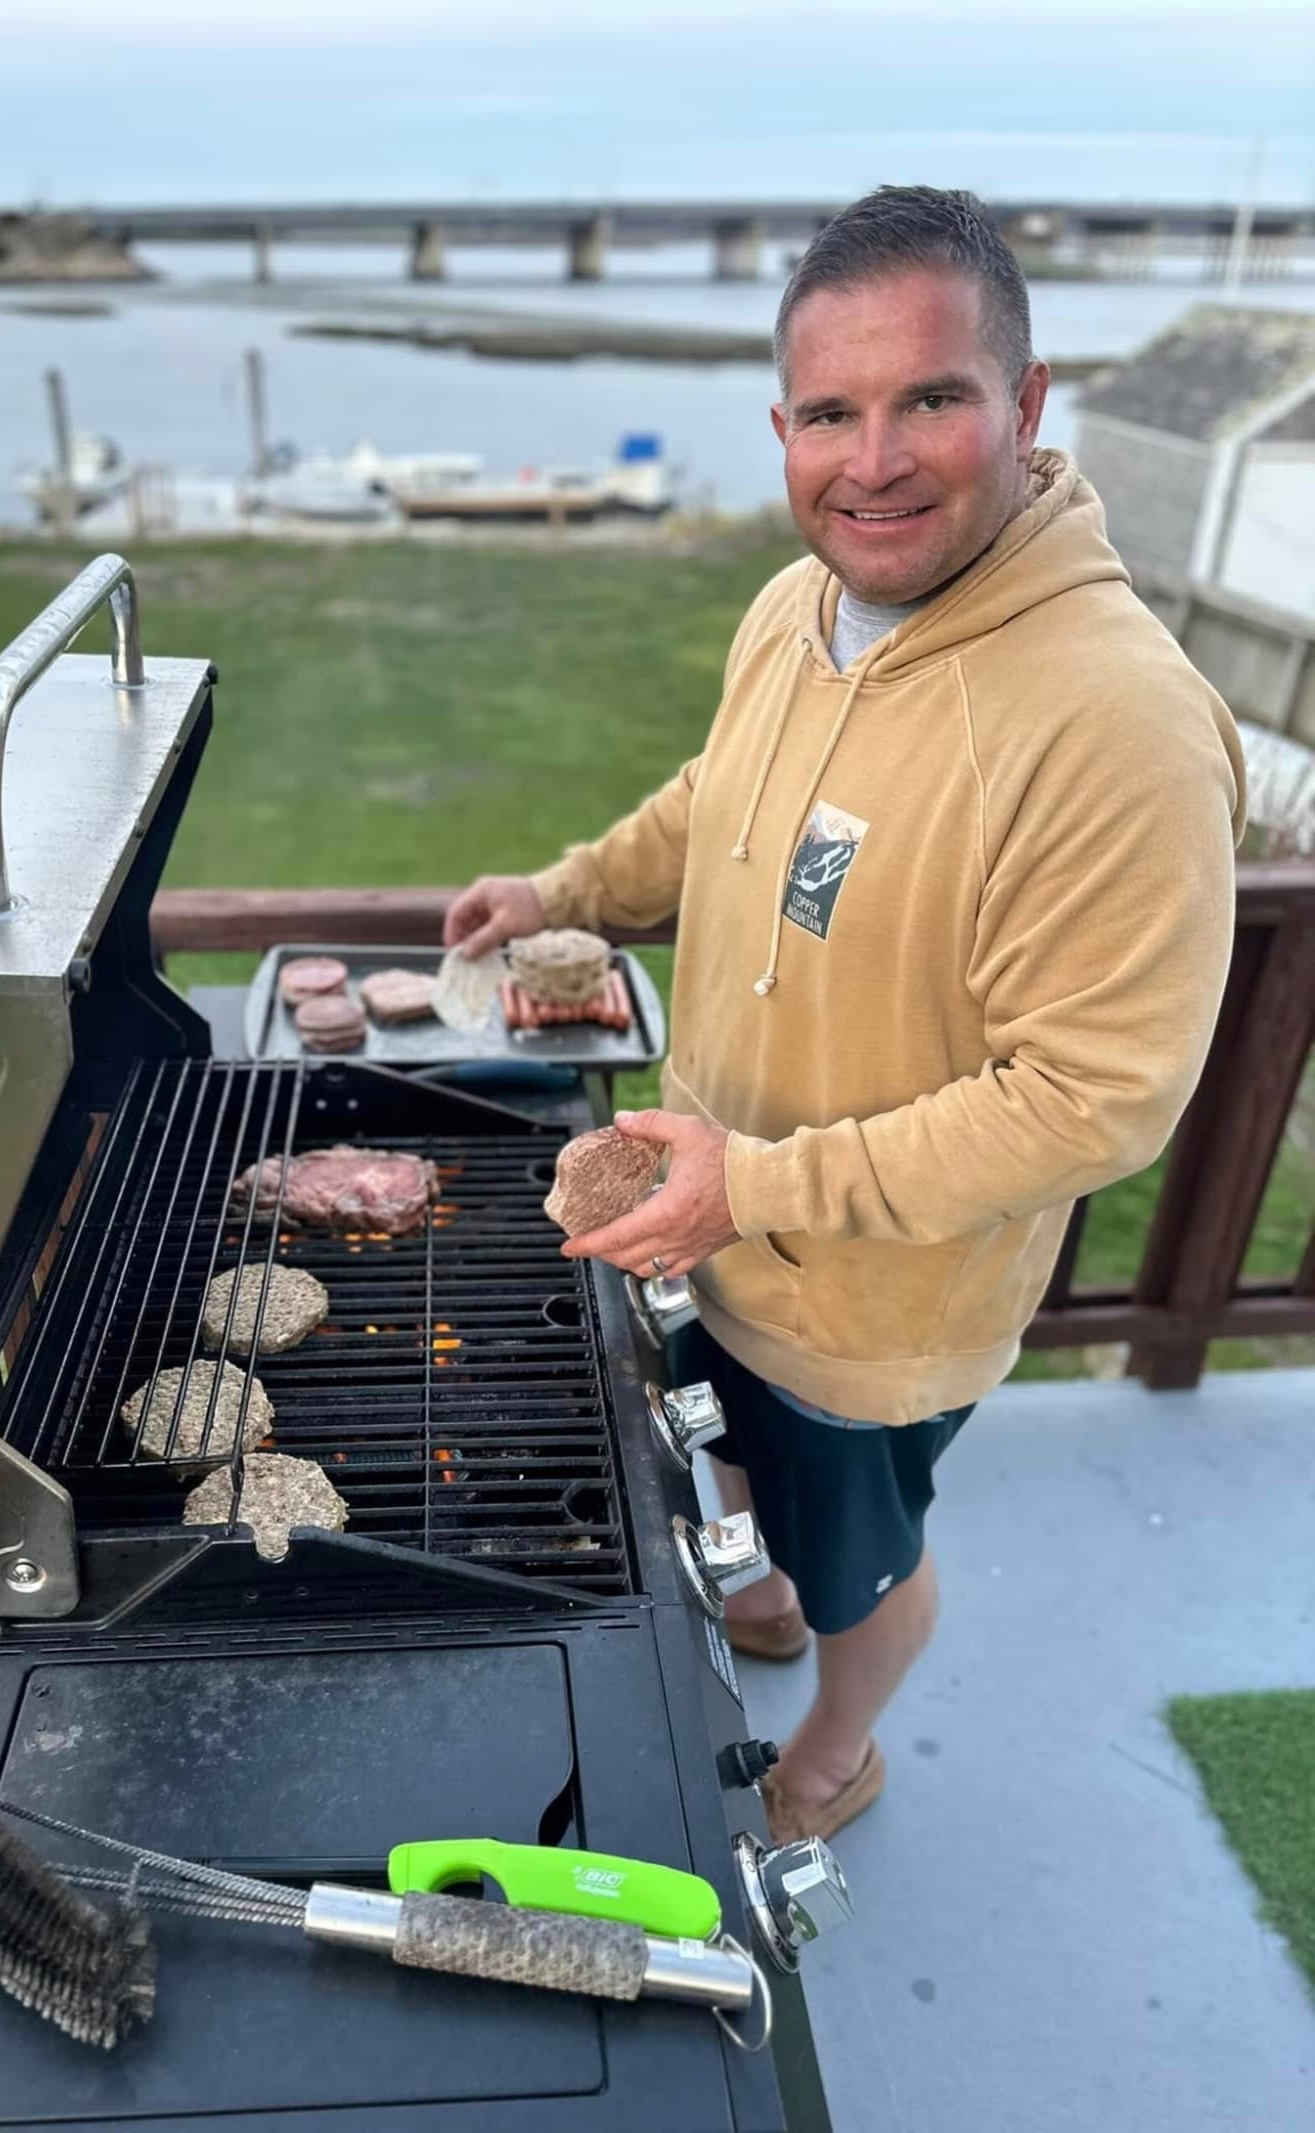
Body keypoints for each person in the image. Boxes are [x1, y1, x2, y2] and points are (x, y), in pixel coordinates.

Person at [444, 185, 1245, 1846]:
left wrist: (766, 1183)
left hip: (876, 1301)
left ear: (1025, 405)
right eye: (831, 411)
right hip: (708, 1221)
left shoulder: (1119, 722)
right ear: (783, 426)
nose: (872, 458)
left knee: (859, 1553)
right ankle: (770, 1599)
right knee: (732, 1471)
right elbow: (712, 799)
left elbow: (1097, 1097)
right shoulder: (796, 610)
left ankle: (840, 1742)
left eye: (930, 399)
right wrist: (566, 888)